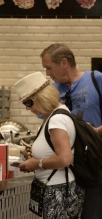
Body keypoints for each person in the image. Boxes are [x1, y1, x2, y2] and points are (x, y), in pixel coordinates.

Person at [40, 43, 102, 219]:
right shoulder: (53, 90)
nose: (47, 73)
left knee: (92, 214)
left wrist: (96, 131)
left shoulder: (97, 79)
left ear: (64, 62)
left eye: (49, 68)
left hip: (92, 162)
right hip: (64, 167)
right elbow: (45, 126)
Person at [13, 71, 85, 218]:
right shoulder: (57, 114)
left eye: (29, 102)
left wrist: (37, 164)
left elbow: (65, 158)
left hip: (57, 190)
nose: (28, 109)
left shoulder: (56, 120)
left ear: (41, 97)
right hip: (57, 188)